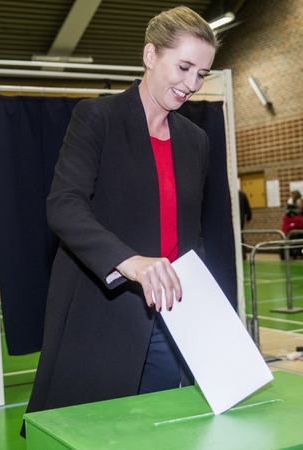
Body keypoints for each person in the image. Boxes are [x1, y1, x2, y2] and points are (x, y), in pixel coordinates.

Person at [23, 6, 219, 429]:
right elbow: (64, 205)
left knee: (163, 430)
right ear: (150, 56)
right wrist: (130, 263)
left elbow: (190, 234)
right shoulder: (98, 118)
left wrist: (205, 305)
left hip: (171, 316)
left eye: (202, 74)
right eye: (184, 67)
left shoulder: (196, 140)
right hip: (103, 312)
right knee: (98, 432)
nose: (191, 84)